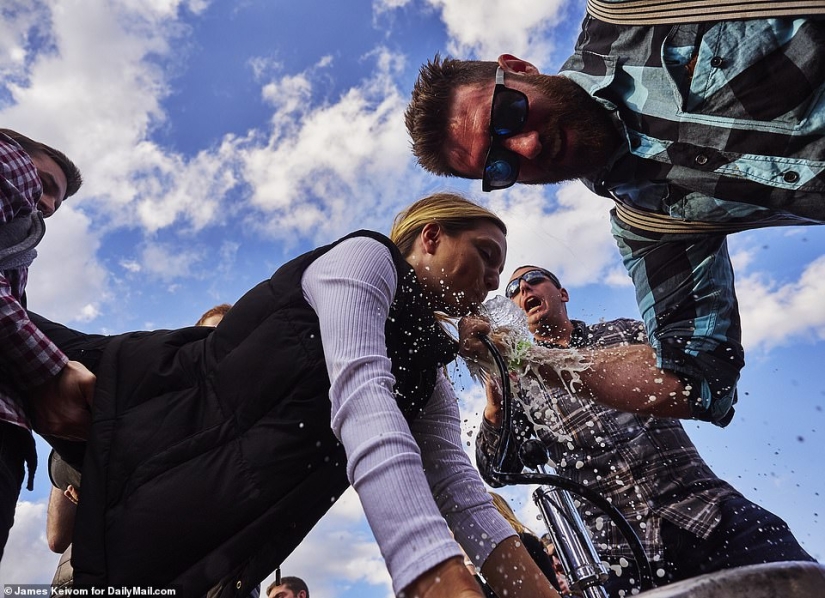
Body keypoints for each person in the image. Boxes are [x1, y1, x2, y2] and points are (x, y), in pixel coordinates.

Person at [34, 193, 560, 598]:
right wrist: (430, 574)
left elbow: (460, 493)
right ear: (430, 237)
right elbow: (361, 396)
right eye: (486, 255)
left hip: (197, 528)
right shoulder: (364, 259)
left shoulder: (430, 377)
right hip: (146, 408)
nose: (494, 282)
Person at [405, 8, 825, 427]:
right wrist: (517, 356)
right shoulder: (650, 224)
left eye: (509, 113)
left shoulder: (628, 16)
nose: (528, 147)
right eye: (501, 166)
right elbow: (696, 380)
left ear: (518, 68)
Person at [469, 266, 815, 595]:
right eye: (513, 289)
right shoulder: (518, 380)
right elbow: (497, 473)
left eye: (533, 278)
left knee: (805, 585)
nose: (523, 288)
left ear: (562, 292)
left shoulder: (622, 332)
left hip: (707, 509)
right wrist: (495, 414)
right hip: (620, 556)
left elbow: (698, 379)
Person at [44, 303, 236, 587]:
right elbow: (58, 538)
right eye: (207, 337)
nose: (218, 348)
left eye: (232, 340)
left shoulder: (241, 441)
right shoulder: (137, 403)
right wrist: (84, 477)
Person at [0, 128, 89, 560]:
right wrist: (52, 371)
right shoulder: (9, 158)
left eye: (57, 203)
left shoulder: (17, 244)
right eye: (48, 185)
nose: (49, 205)